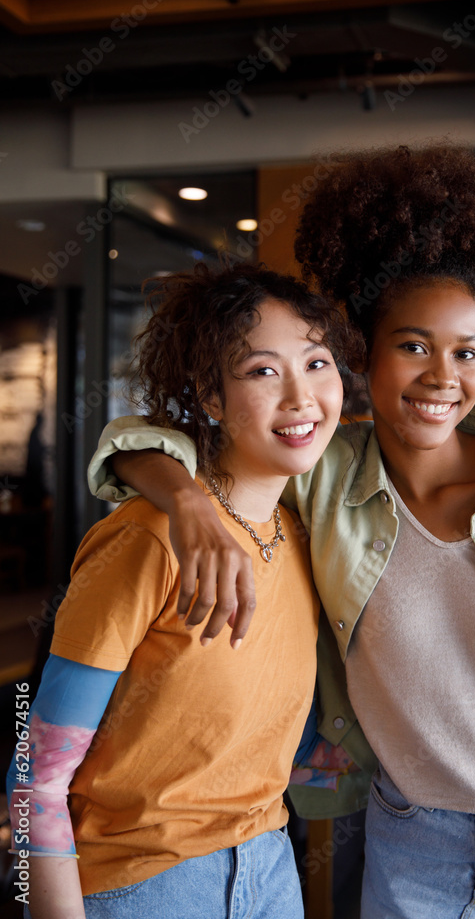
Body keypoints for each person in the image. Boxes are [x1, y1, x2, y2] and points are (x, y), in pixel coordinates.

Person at [87, 143, 475, 919]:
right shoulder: (321, 477)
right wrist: (184, 500)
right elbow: (149, 439)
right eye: (413, 345)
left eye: (466, 352)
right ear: (362, 355)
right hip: (407, 843)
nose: (443, 376)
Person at [6, 262, 359, 919]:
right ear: (210, 398)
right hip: (145, 887)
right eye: (261, 371)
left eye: (316, 363)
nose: (299, 397)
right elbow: (34, 778)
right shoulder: (148, 537)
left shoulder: (307, 531)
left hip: (272, 865)